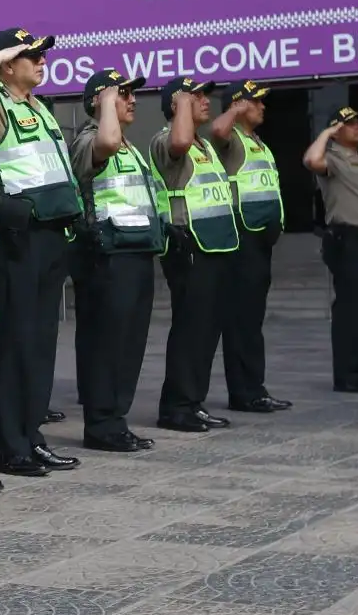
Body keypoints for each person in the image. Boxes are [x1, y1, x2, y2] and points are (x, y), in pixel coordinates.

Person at [0, 29, 82, 477]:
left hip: (50, 233)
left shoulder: (39, 108)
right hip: (18, 237)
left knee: (42, 341)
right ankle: (11, 447)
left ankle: (32, 436)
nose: (42, 60)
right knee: (15, 341)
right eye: (31, 55)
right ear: (8, 63)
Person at [70, 69, 163, 453]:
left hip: (135, 250)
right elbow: (104, 142)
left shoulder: (130, 146)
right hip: (106, 255)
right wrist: (106, 101)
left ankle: (116, 418)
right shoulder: (91, 138)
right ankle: (102, 424)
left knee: (129, 343)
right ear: (99, 101)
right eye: (122, 94)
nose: (132, 100)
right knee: (105, 343)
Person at [147, 77, 239, 434]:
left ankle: (193, 401)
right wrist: (182, 103)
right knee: (191, 327)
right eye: (194, 96)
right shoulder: (166, 139)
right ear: (175, 105)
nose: (204, 100)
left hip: (215, 243)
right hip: (189, 245)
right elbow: (179, 141)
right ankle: (177, 407)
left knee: (207, 328)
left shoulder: (205, 145)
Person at [211, 81, 293, 414]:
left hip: (261, 239)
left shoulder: (257, 142)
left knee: (252, 318)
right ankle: (245, 392)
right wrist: (235, 109)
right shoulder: (232, 139)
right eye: (255, 102)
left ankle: (253, 386)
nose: (262, 107)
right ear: (239, 104)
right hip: (243, 237)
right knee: (242, 319)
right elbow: (216, 128)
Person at [304, 106, 358, 393]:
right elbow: (310, 159)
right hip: (349, 241)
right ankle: (345, 374)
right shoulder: (333, 158)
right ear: (336, 130)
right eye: (350, 124)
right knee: (351, 309)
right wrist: (327, 133)